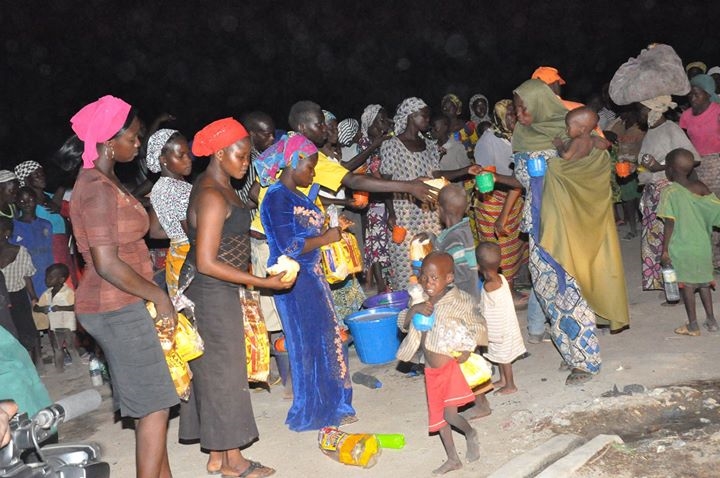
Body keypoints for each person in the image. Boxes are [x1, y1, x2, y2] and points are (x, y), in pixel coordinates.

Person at [69, 95, 178, 478]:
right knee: (153, 407)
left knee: (155, 401)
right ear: (109, 140)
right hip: (115, 305)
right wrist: (158, 296)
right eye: (133, 137)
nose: (137, 143)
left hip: (120, 302)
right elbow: (106, 262)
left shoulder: (106, 180)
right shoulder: (96, 188)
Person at [494, 79, 630, 385]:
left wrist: (562, 167)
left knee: (568, 290)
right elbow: (524, 182)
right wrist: (496, 178)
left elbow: (594, 167)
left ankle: (587, 360)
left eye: (523, 106)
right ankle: (570, 353)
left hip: (565, 223)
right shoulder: (523, 135)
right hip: (538, 224)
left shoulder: (569, 131)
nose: (519, 113)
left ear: (540, 102)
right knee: (547, 292)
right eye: (515, 106)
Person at [178, 117, 291, 477]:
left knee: (213, 371)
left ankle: (217, 455)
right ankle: (235, 463)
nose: (246, 163)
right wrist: (261, 282)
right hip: (211, 290)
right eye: (241, 155)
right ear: (220, 152)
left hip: (215, 287)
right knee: (225, 374)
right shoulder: (211, 193)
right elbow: (209, 261)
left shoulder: (216, 184)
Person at [250, 100, 436, 292]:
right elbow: (354, 180)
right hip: (275, 245)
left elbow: (257, 191)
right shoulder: (307, 155)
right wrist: (408, 186)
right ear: (302, 127)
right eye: (319, 124)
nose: (325, 129)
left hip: (272, 239)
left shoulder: (284, 146)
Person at [258, 133, 356, 432]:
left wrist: (330, 232)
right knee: (308, 345)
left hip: (312, 277)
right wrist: (326, 238)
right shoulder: (276, 197)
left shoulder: (297, 195)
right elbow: (288, 246)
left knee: (326, 340)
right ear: (294, 162)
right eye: (310, 167)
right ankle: (316, 408)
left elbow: (303, 230)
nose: (313, 173)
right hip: (293, 280)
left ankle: (336, 402)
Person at [395, 252, 481, 475]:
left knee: (449, 415)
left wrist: (467, 348)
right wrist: (414, 309)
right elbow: (403, 324)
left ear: (449, 278)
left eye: (434, 278)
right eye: (424, 277)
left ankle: (470, 433)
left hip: (449, 367)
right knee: (437, 417)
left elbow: (477, 325)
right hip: (430, 369)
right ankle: (453, 459)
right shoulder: (418, 298)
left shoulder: (460, 300)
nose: (428, 283)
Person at [432, 184, 492, 418]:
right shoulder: (461, 230)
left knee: (464, 355)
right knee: (466, 353)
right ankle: (473, 393)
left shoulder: (454, 239)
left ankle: (481, 402)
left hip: (461, 304)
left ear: (440, 209)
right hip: (466, 301)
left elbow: (463, 275)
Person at [636, 96, 700, 293]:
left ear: (653, 109)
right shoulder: (651, 132)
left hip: (669, 190)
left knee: (671, 241)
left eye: (641, 109)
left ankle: (680, 287)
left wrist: (660, 167)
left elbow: (692, 159)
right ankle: (666, 285)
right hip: (653, 192)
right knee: (656, 241)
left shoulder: (671, 128)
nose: (639, 114)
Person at [658, 148, 720, 336]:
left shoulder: (669, 192)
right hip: (702, 244)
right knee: (703, 282)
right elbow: (715, 212)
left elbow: (670, 222)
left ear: (670, 169)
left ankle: (693, 325)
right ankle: (711, 320)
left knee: (688, 285)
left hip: (681, 246)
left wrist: (665, 250)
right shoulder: (700, 187)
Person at [381, 98, 442, 290]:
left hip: (430, 212)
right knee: (406, 264)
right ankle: (409, 309)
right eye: (424, 115)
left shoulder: (430, 145)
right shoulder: (392, 145)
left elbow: (436, 175)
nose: (428, 119)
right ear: (411, 116)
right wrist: (391, 213)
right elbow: (385, 183)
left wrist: (465, 170)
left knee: (432, 260)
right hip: (404, 213)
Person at [474, 100, 529, 297]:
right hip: (492, 200)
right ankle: (504, 293)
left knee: (516, 246)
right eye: (509, 115)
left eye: (515, 113)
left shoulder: (519, 136)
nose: (514, 118)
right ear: (499, 117)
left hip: (514, 197)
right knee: (499, 249)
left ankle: (511, 288)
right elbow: (485, 177)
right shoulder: (488, 141)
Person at [679, 74, 720, 268]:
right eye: (690, 95)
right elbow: (686, 142)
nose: (692, 98)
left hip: (717, 163)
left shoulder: (717, 111)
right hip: (697, 167)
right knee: (704, 213)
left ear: (708, 93)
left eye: (697, 94)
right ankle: (712, 258)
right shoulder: (686, 116)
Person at [146, 129, 193, 298]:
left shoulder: (159, 186)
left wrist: (177, 235)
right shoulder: (177, 189)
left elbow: (155, 231)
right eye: (181, 156)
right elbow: (192, 232)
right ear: (163, 160)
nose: (188, 160)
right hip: (189, 257)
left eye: (188, 154)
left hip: (176, 255)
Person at [14, 161, 76, 286]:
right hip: (44, 253)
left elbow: (75, 214)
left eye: (41, 174)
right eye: (36, 175)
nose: (41, 177)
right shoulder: (27, 207)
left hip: (63, 249)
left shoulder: (52, 198)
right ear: (26, 180)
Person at [476, 242, 526, 394]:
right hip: (507, 326)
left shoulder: (488, 286)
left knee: (505, 359)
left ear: (478, 266)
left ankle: (510, 384)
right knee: (501, 356)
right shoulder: (502, 279)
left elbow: (488, 310)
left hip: (500, 331)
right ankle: (504, 379)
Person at [358, 105, 394, 292]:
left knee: (389, 239)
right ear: (369, 123)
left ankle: (390, 281)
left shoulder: (387, 142)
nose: (383, 124)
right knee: (377, 241)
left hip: (391, 195)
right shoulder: (365, 144)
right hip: (376, 200)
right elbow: (375, 174)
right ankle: (382, 285)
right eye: (380, 120)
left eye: (385, 120)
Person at [0, 217, 39, 366]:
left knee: (26, 332)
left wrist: (33, 297)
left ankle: (33, 366)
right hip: (2, 301)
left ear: (6, 233)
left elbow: (27, 277)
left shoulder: (20, 251)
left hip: (18, 297)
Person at [11, 187, 54, 300]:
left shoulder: (46, 224)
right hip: (26, 281)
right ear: (17, 203)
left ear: (35, 200)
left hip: (47, 277)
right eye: (22, 201)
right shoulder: (13, 227)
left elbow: (51, 251)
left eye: (30, 199)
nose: (27, 203)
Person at [33, 263, 77, 371]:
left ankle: (77, 365)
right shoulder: (47, 294)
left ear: (61, 279)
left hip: (68, 325)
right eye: (46, 277)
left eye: (50, 278)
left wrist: (61, 308)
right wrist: (42, 309)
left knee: (71, 347)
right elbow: (36, 308)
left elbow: (75, 307)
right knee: (57, 348)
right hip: (54, 326)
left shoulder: (68, 292)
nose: (46, 280)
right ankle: (59, 368)